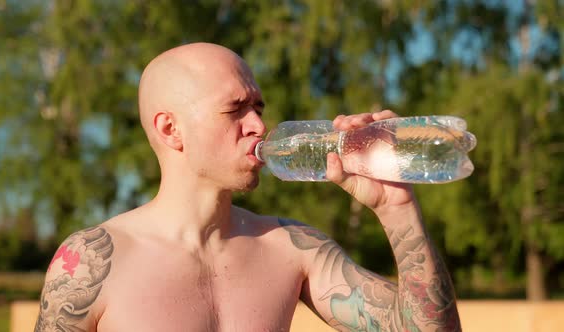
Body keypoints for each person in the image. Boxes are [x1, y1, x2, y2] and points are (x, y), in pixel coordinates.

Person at [34, 42, 461, 332]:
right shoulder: (92, 261)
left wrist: (395, 207)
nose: (258, 125)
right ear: (171, 129)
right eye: (235, 109)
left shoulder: (291, 248)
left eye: (257, 107)